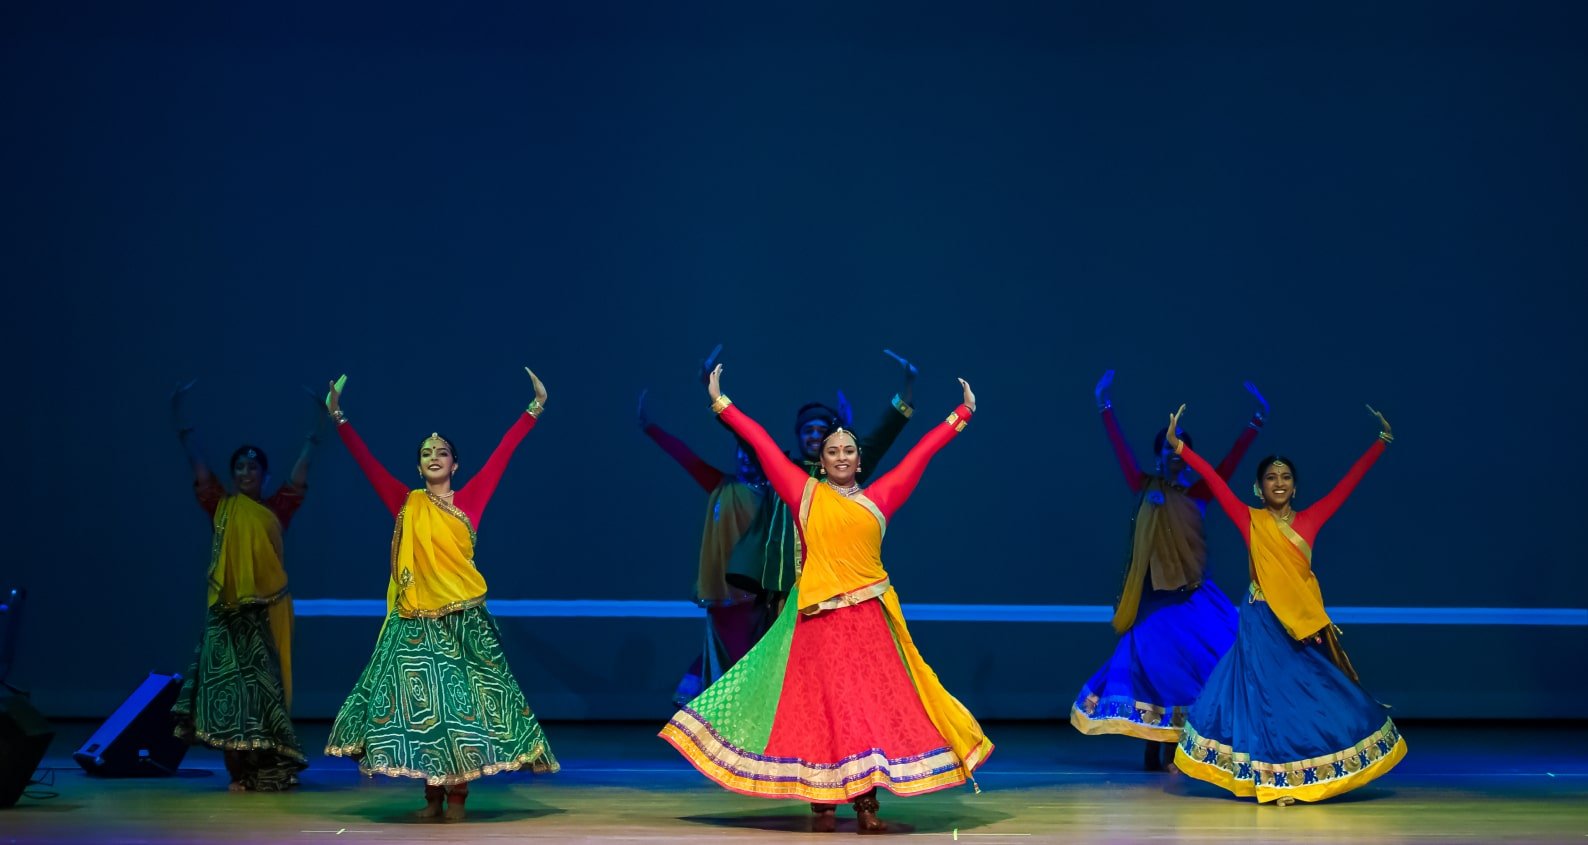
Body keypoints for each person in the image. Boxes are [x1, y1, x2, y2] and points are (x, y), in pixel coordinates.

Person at [662, 363, 992, 834]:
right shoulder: (804, 494)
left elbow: (921, 454)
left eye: (848, 451)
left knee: (864, 712)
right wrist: (721, 401)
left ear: (860, 459)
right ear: (821, 459)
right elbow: (758, 442)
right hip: (816, 623)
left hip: (869, 624)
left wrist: (961, 414)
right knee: (819, 712)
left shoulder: (880, 498)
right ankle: (823, 799)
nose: (840, 456)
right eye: (832, 450)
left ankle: (865, 804)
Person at [322, 370, 559, 821]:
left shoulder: (469, 502)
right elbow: (368, 464)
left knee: (461, 711)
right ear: (418, 467)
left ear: (455, 465)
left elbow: (503, 455)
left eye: (442, 453)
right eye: (426, 453)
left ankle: (459, 796)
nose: (434, 457)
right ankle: (432, 797)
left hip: (462, 624)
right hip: (414, 622)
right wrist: (339, 419)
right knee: (424, 714)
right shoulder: (406, 503)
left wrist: (533, 410)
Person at [1166, 403, 1406, 804]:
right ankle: (1275, 780)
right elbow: (1213, 479)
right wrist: (1180, 448)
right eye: (1271, 477)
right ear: (1259, 488)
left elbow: (1349, 483)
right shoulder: (1250, 520)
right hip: (1260, 622)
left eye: (1286, 477)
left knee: (1308, 694)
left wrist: (1381, 443)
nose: (1279, 483)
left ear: (1295, 486)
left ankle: (1303, 770)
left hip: (1297, 626)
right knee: (1265, 698)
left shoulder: (1311, 520)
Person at [1070, 372, 1266, 770]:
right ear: (1159, 453)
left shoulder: (1201, 490)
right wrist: (1103, 404)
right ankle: (1151, 745)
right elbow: (1122, 452)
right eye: (1167, 448)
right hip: (1155, 601)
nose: (1174, 455)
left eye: (1180, 448)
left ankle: (1185, 745)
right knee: (1152, 669)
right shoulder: (1145, 485)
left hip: (1193, 597)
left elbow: (1228, 463)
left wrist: (1255, 421)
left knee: (1214, 661)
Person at [168, 380, 317, 791]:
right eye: (239, 467)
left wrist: (315, 433)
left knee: (265, 692)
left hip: (268, 612)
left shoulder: (275, 509)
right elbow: (200, 470)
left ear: (265, 475)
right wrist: (183, 428)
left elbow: (298, 479)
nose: (245, 472)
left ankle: (271, 768)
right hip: (229, 614)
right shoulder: (223, 506)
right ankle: (239, 771)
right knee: (229, 693)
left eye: (253, 467)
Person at [724, 350, 919, 636]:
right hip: (783, 590)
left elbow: (881, 436)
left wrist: (907, 391)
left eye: (820, 430)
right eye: (807, 430)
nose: (814, 435)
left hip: (833, 591)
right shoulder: (783, 471)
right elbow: (749, 439)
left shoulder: (844, 474)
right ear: (798, 435)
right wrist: (718, 400)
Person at [637, 387, 766, 703]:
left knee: (751, 659)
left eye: (751, 454)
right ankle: (713, 711)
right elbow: (686, 458)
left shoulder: (774, 494)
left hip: (759, 595)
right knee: (726, 653)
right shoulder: (722, 485)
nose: (744, 460)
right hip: (724, 595)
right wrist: (651, 428)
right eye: (739, 453)